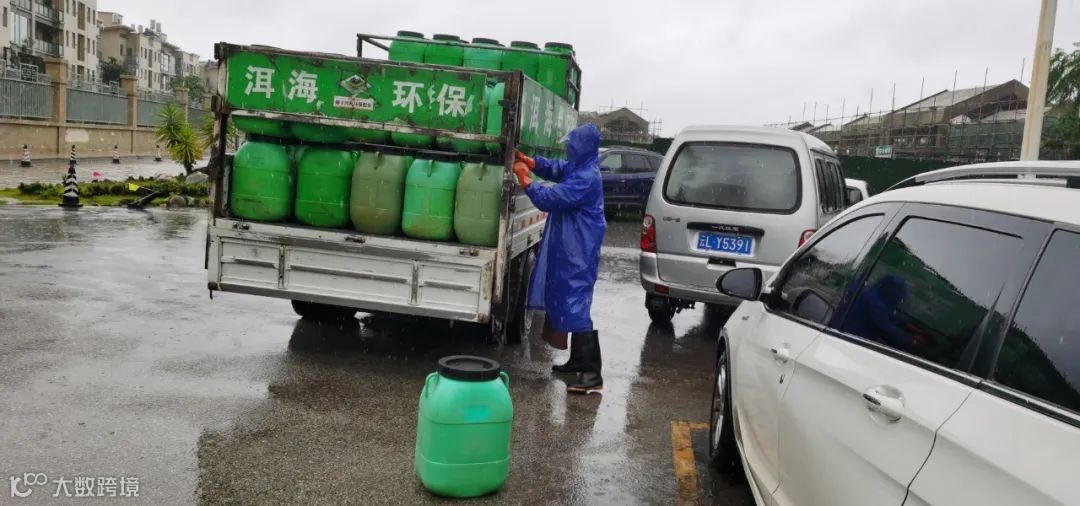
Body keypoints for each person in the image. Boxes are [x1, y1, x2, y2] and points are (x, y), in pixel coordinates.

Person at [512, 123, 607, 394]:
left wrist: (526, 180)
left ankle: (592, 373)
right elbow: (558, 169)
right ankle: (578, 361)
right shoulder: (580, 167)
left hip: (579, 252)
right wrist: (533, 162)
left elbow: (550, 198)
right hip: (572, 248)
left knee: (576, 305)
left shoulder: (586, 178)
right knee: (568, 302)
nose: (568, 149)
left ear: (582, 147)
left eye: (571, 145)